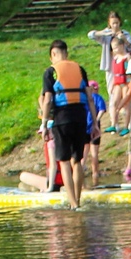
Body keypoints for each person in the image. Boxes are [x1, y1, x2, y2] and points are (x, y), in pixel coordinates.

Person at [39, 39, 97, 208]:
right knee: (77, 160)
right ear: (67, 53)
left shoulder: (50, 72)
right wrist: (94, 124)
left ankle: (73, 204)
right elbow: (90, 98)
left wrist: (44, 123)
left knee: (64, 161)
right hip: (80, 116)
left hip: (61, 119)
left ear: (53, 55)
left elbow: (48, 99)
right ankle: (78, 199)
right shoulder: (80, 70)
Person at [87, 11, 131, 97]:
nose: (115, 26)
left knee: (126, 87)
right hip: (110, 65)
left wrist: (125, 40)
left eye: (117, 23)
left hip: (124, 65)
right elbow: (90, 35)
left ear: (120, 22)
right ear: (109, 23)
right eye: (113, 23)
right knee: (111, 89)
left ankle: (126, 105)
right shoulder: (106, 35)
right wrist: (102, 32)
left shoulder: (125, 34)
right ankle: (114, 105)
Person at [107, 36, 131, 134]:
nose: (115, 50)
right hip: (117, 82)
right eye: (113, 48)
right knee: (114, 103)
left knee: (126, 104)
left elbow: (130, 71)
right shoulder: (115, 58)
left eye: (116, 48)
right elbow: (114, 72)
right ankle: (113, 123)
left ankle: (126, 125)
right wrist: (113, 84)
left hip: (125, 82)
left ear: (122, 46)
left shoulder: (127, 57)